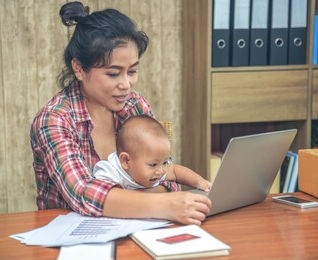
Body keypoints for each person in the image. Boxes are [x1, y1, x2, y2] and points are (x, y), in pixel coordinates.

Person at [30, 1, 211, 225]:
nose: (126, 84)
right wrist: (162, 204)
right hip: (72, 241)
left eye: (132, 71)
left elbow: (165, 177)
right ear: (78, 68)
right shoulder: (54, 120)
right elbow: (84, 195)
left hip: (136, 230)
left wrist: (124, 203)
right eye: (114, 73)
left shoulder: (135, 105)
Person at [93, 115, 212, 191]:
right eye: (153, 164)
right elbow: (103, 195)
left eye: (165, 162)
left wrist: (199, 182)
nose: (161, 171)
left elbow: (175, 171)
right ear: (126, 161)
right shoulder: (110, 172)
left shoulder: (157, 170)